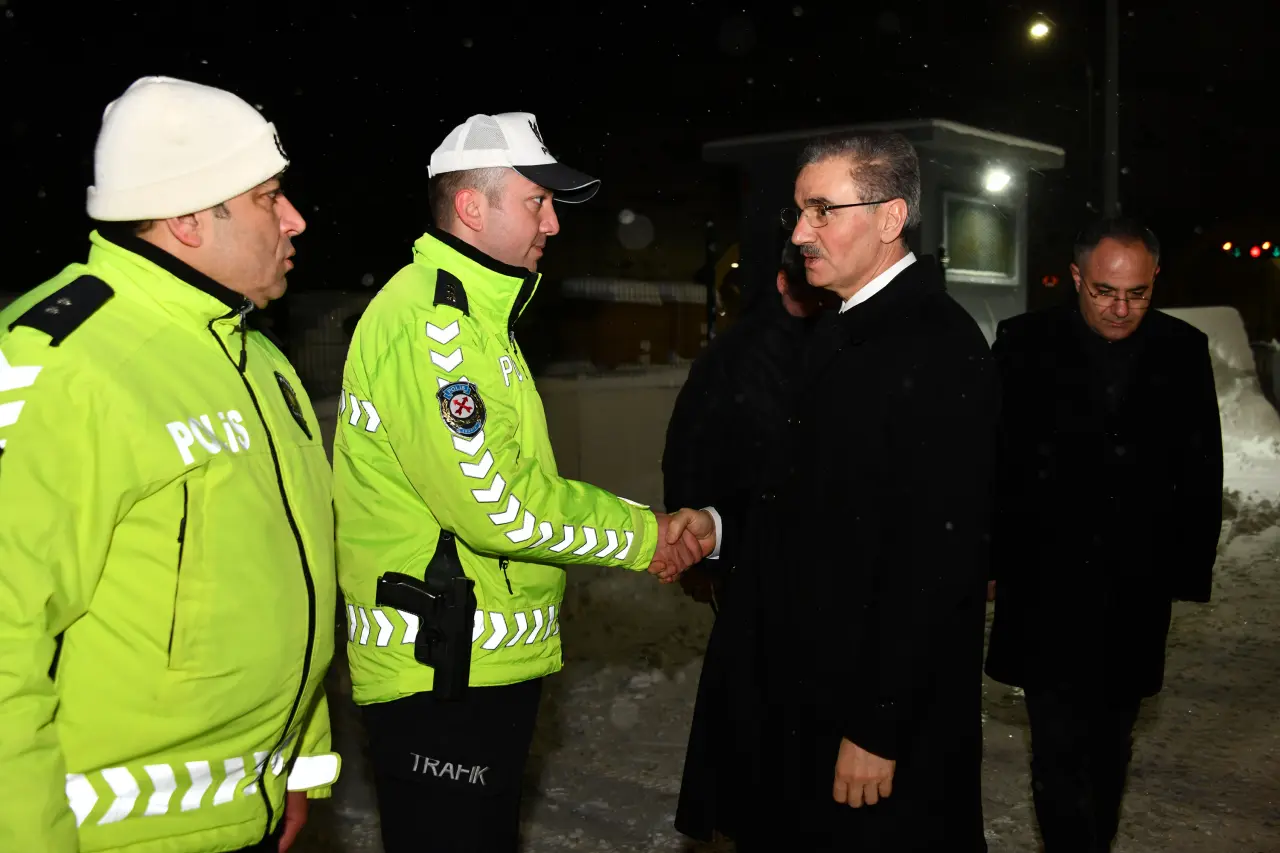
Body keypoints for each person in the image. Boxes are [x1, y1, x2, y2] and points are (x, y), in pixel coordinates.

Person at [331, 111, 706, 853]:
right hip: (442, 676)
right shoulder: (432, 327)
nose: (555, 225)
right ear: (473, 207)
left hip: (473, 661)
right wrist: (645, 534)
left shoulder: (477, 320)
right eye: (536, 201)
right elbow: (499, 505)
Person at [0, 77, 339, 853]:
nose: (295, 219)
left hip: (244, 810)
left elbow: (293, 573)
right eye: (268, 197)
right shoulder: (60, 361)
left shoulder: (258, 359)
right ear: (188, 217)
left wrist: (299, 761)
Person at [670, 131, 998, 851]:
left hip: (863, 721)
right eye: (797, 212)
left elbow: (936, 563)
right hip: (804, 698)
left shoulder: (936, 348)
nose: (800, 233)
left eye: (823, 210)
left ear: (890, 217)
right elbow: (811, 500)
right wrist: (718, 524)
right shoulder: (842, 328)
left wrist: (879, 725)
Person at [984, 218, 1223, 852]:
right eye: (1105, 292)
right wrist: (986, 556)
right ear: (1076, 279)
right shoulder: (1023, 343)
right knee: (1057, 744)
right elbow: (990, 461)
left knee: (1111, 742)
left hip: (1134, 588)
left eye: (1138, 294)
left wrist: (1185, 571)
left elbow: (1202, 467)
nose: (1121, 308)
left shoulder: (1182, 348)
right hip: (1045, 584)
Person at [662, 239, 836, 609]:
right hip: (745, 541)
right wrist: (695, 550)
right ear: (781, 281)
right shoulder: (732, 355)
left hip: (803, 544)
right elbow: (689, 450)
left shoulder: (837, 343)